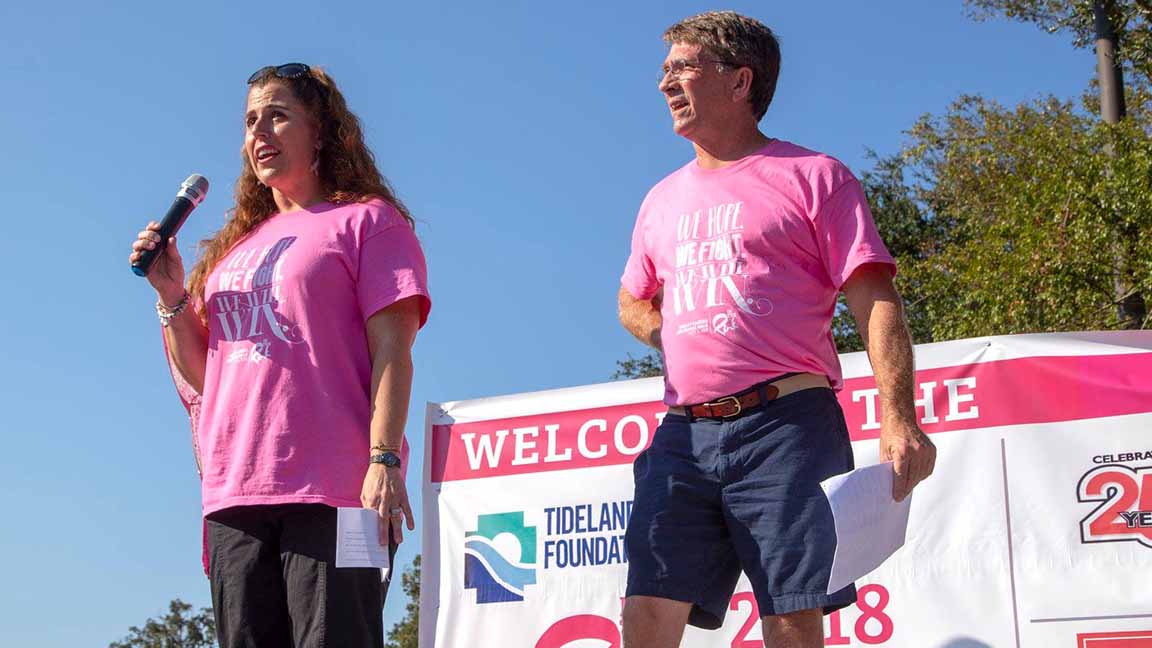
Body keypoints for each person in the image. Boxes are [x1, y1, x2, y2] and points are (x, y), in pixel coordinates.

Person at [618, 12, 935, 648]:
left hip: (786, 425)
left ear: (740, 82)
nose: (664, 84)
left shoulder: (816, 177)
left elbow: (874, 298)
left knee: (790, 614)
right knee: (647, 609)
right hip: (682, 432)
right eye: (664, 70)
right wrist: (674, 331)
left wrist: (899, 417)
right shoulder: (659, 199)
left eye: (682, 67)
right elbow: (630, 302)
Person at [127, 63, 430, 647]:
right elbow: (208, 378)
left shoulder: (369, 221)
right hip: (236, 494)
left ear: (321, 131)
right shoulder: (234, 249)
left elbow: (394, 351)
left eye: (277, 114)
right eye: (249, 121)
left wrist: (384, 460)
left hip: (342, 491)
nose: (259, 131)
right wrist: (172, 296)